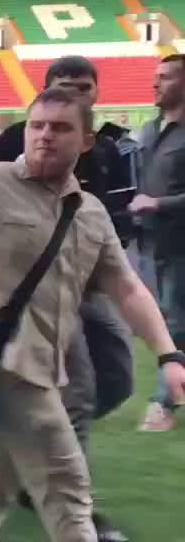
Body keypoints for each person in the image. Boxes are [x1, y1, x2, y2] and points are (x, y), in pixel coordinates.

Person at [0, 86, 185, 542]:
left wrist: (169, 356)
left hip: (47, 368)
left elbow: (127, 288)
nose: (45, 135)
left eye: (61, 128)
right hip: (7, 366)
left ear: (86, 141)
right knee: (68, 488)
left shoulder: (89, 212)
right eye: (37, 125)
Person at [0, 56, 134, 540]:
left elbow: (120, 214)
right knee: (79, 394)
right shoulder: (19, 138)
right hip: (38, 291)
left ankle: (36, 450)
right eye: (65, 86)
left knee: (119, 379)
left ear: (96, 93)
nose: (76, 94)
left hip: (92, 285)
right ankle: (75, 510)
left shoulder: (105, 149)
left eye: (84, 87)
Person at [131, 52, 185, 432]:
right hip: (147, 242)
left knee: (174, 323)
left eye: (165, 77)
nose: (155, 83)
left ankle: (164, 404)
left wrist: (159, 203)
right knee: (159, 321)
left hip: (180, 244)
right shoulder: (149, 129)